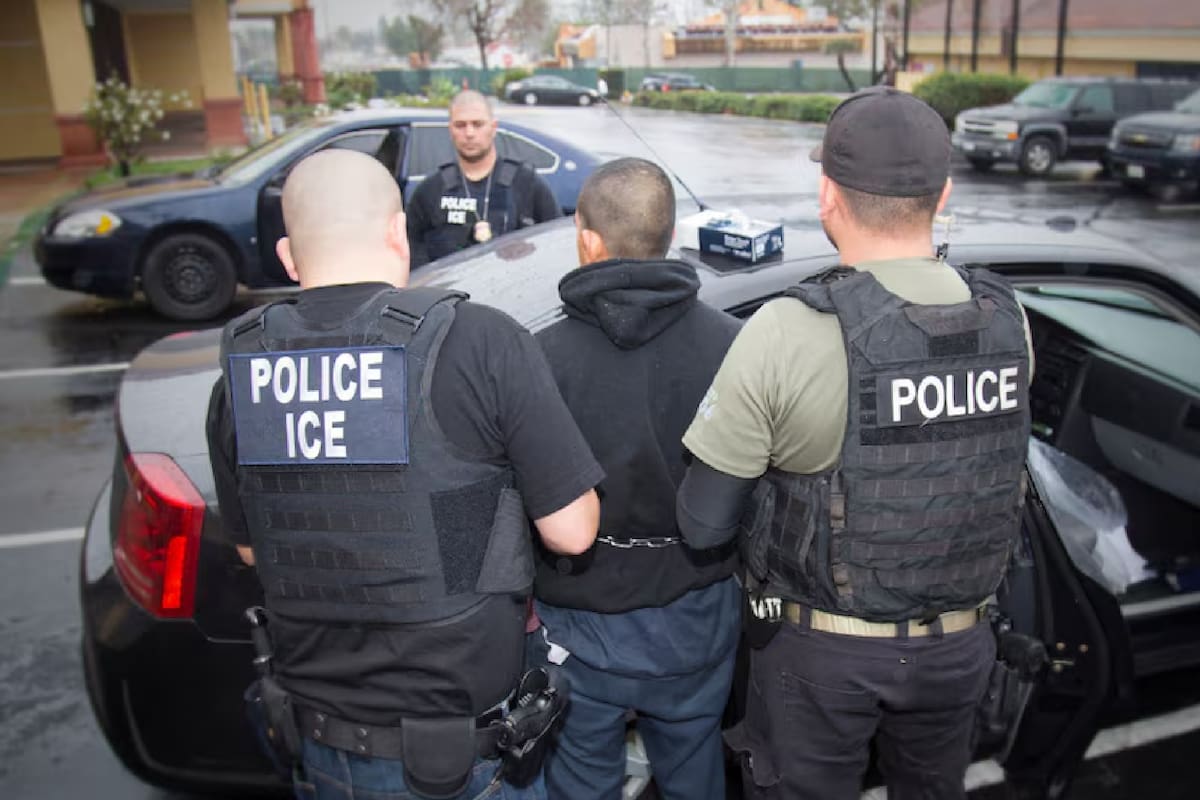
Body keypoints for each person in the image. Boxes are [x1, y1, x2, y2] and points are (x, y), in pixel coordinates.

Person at [206, 149, 605, 800]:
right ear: (398, 232)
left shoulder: (244, 374)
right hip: (458, 761)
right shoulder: (477, 341)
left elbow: (254, 548)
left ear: (287, 256)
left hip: (319, 746)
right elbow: (573, 531)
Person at [676, 86, 1035, 800]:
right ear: (944, 194)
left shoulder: (788, 329)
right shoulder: (1009, 320)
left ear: (828, 197)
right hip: (961, 645)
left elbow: (702, 520)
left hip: (822, 659)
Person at [529, 157, 742, 800]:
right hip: (697, 616)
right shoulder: (736, 345)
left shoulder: (539, 358)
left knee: (580, 780)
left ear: (588, 238)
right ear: (667, 236)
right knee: (694, 768)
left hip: (578, 624)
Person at [406, 90, 561, 268]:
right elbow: (413, 254)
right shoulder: (430, 190)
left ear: (493, 128)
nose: (469, 133)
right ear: (451, 130)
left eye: (477, 124)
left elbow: (554, 243)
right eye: (460, 125)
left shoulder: (527, 184)